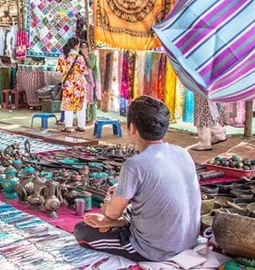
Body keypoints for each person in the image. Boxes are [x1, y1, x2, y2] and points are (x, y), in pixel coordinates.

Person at [74, 96, 201, 262]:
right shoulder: (182, 152)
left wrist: (108, 212)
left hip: (155, 250)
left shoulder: (134, 165)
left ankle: (122, 228)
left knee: (81, 230)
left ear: (132, 128)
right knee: (133, 208)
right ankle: (121, 223)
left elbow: (112, 212)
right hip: (188, 241)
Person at [57, 38, 88, 132]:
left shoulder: (62, 57)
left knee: (68, 106)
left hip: (68, 85)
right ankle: (81, 126)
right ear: (76, 46)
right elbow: (85, 72)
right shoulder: (80, 58)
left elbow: (59, 71)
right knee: (81, 105)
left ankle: (68, 126)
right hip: (79, 85)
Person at [80, 41, 101, 123]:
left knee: (92, 100)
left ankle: (93, 118)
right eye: (82, 46)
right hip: (84, 80)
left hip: (92, 81)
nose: (84, 48)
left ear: (88, 48)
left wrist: (86, 56)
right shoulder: (79, 57)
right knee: (85, 99)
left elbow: (91, 65)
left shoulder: (92, 56)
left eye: (86, 46)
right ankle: (86, 117)